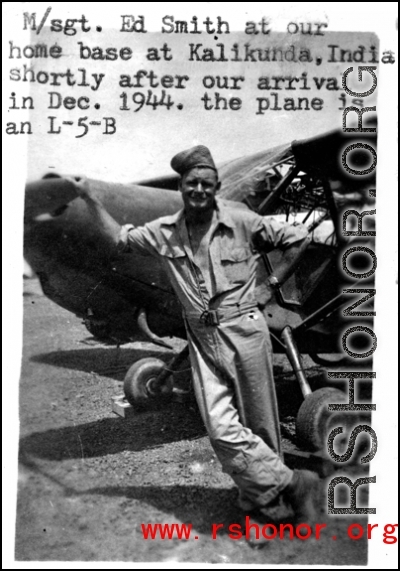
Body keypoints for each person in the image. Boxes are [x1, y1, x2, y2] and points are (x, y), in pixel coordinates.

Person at [73, 145, 319, 530]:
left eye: (206, 183)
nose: (199, 190)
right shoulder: (165, 230)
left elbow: (299, 237)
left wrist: (270, 286)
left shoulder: (241, 219)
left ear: (216, 186)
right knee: (221, 430)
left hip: (245, 330)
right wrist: (89, 197)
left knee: (261, 426)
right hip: (202, 339)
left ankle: (267, 507)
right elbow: (120, 240)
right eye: (191, 184)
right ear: (182, 187)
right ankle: (291, 484)